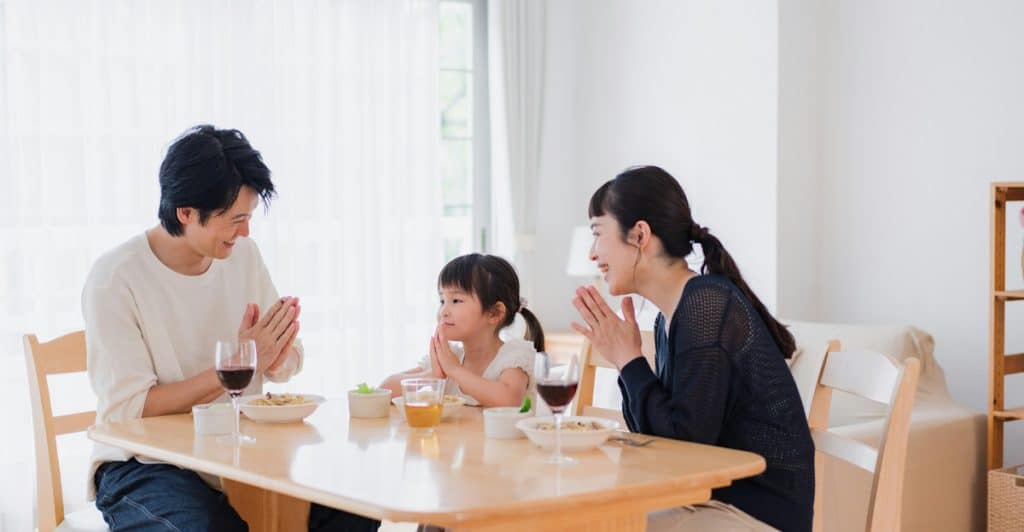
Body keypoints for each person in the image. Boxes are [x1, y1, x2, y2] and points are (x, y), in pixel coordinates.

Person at [83, 125, 379, 531]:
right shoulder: (116, 279)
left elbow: (282, 361)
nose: (246, 232)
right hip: (145, 464)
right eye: (236, 219)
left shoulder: (243, 255)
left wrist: (275, 355)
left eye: (250, 217)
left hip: (239, 453)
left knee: (356, 504)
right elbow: (130, 409)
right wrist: (239, 363)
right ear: (186, 213)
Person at [570, 166, 813, 532]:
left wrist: (629, 361)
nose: (592, 253)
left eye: (597, 234)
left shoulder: (707, 303)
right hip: (712, 500)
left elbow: (686, 442)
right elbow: (662, 441)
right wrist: (627, 360)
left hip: (754, 514)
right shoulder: (671, 317)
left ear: (639, 235)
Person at [382, 253, 543, 407]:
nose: (443, 311)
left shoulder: (513, 356)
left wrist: (454, 370)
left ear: (494, 313)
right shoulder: (452, 357)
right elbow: (385, 390)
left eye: (456, 300)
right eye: (442, 300)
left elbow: (509, 399)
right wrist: (432, 375)